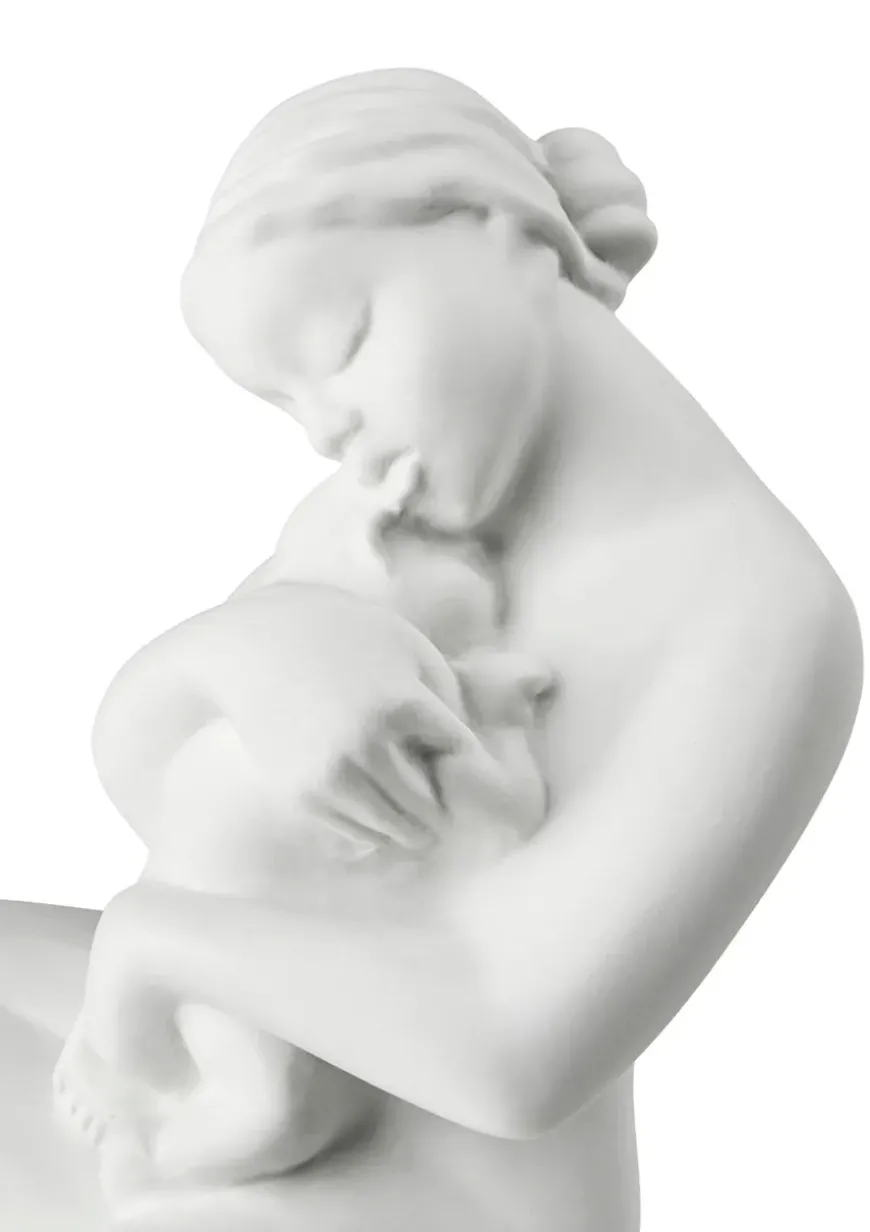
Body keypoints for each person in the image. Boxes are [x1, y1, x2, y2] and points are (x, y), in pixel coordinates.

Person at [34, 68, 865, 1230]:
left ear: (498, 228)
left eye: (342, 343)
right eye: (287, 404)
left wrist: (152, 944)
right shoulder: (384, 515)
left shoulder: (754, 606)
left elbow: (511, 1050)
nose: (326, 427)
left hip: (437, 1191)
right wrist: (244, 655)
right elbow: (152, 780)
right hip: (212, 1045)